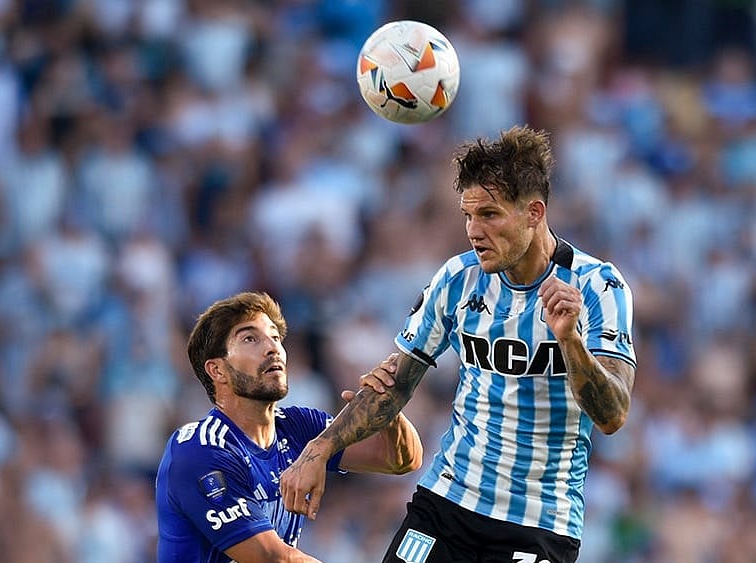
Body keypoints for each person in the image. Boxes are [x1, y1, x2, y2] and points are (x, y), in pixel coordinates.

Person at [280, 125, 637, 563]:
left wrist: (569, 341)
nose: (473, 230)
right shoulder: (457, 278)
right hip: (447, 503)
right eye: (468, 215)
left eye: (489, 214)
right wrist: (320, 448)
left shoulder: (597, 285)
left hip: (539, 522)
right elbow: (394, 384)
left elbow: (613, 415)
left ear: (534, 213)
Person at [155, 291, 423, 562]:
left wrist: (386, 404)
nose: (273, 348)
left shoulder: (298, 426)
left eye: (275, 337)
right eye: (250, 338)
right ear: (217, 371)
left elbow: (400, 459)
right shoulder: (198, 451)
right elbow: (272, 558)